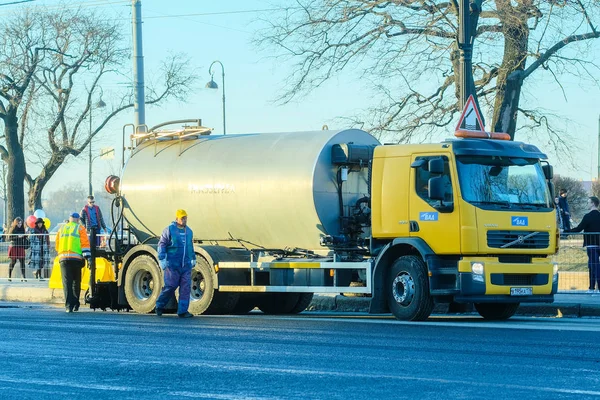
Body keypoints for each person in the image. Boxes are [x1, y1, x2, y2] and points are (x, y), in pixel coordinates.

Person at [155, 209, 197, 318]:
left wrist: (193, 258)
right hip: (172, 265)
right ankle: (159, 305)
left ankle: (183, 311)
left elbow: (190, 247)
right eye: (182, 218)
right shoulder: (169, 230)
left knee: (185, 288)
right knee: (171, 286)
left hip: (185, 265)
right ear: (177, 219)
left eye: (185, 218)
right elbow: (162, 244)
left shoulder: (189, 231)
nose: (184, 220)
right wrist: (162, 258)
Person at [56, 212, 91, 313]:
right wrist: (87, 257)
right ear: (77, 219)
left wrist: (61, 253)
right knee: (76, 282)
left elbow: (57, 245)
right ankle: (76, 304)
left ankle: (68, 306)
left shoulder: (61, 229)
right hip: (76, 259)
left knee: (67, 283)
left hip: (63, 259)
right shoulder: (80, 228)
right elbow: (84, 244)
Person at [564, 196, 600, 294]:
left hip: (591, 245)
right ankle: (592, 288)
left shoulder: (587, 216)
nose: (587, 204)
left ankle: (596, 289)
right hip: (599, 244)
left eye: (588, 202)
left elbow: (579, 229)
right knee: (593, 266)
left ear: (593, 203)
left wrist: (566, 231)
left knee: (594, 266)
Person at [7, 217, 28, 282]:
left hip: (21, 246)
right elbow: (9, 238)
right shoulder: (12, 229)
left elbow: (25, 237)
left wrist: (26, 234)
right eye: (18, 223)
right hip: (14, 246)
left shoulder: (22, 229)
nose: (20, 224)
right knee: (13, 262)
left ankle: (23, 276)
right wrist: (17, 236)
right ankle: (9, 275)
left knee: (22, 262)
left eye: (21, 223)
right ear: (15, 223)